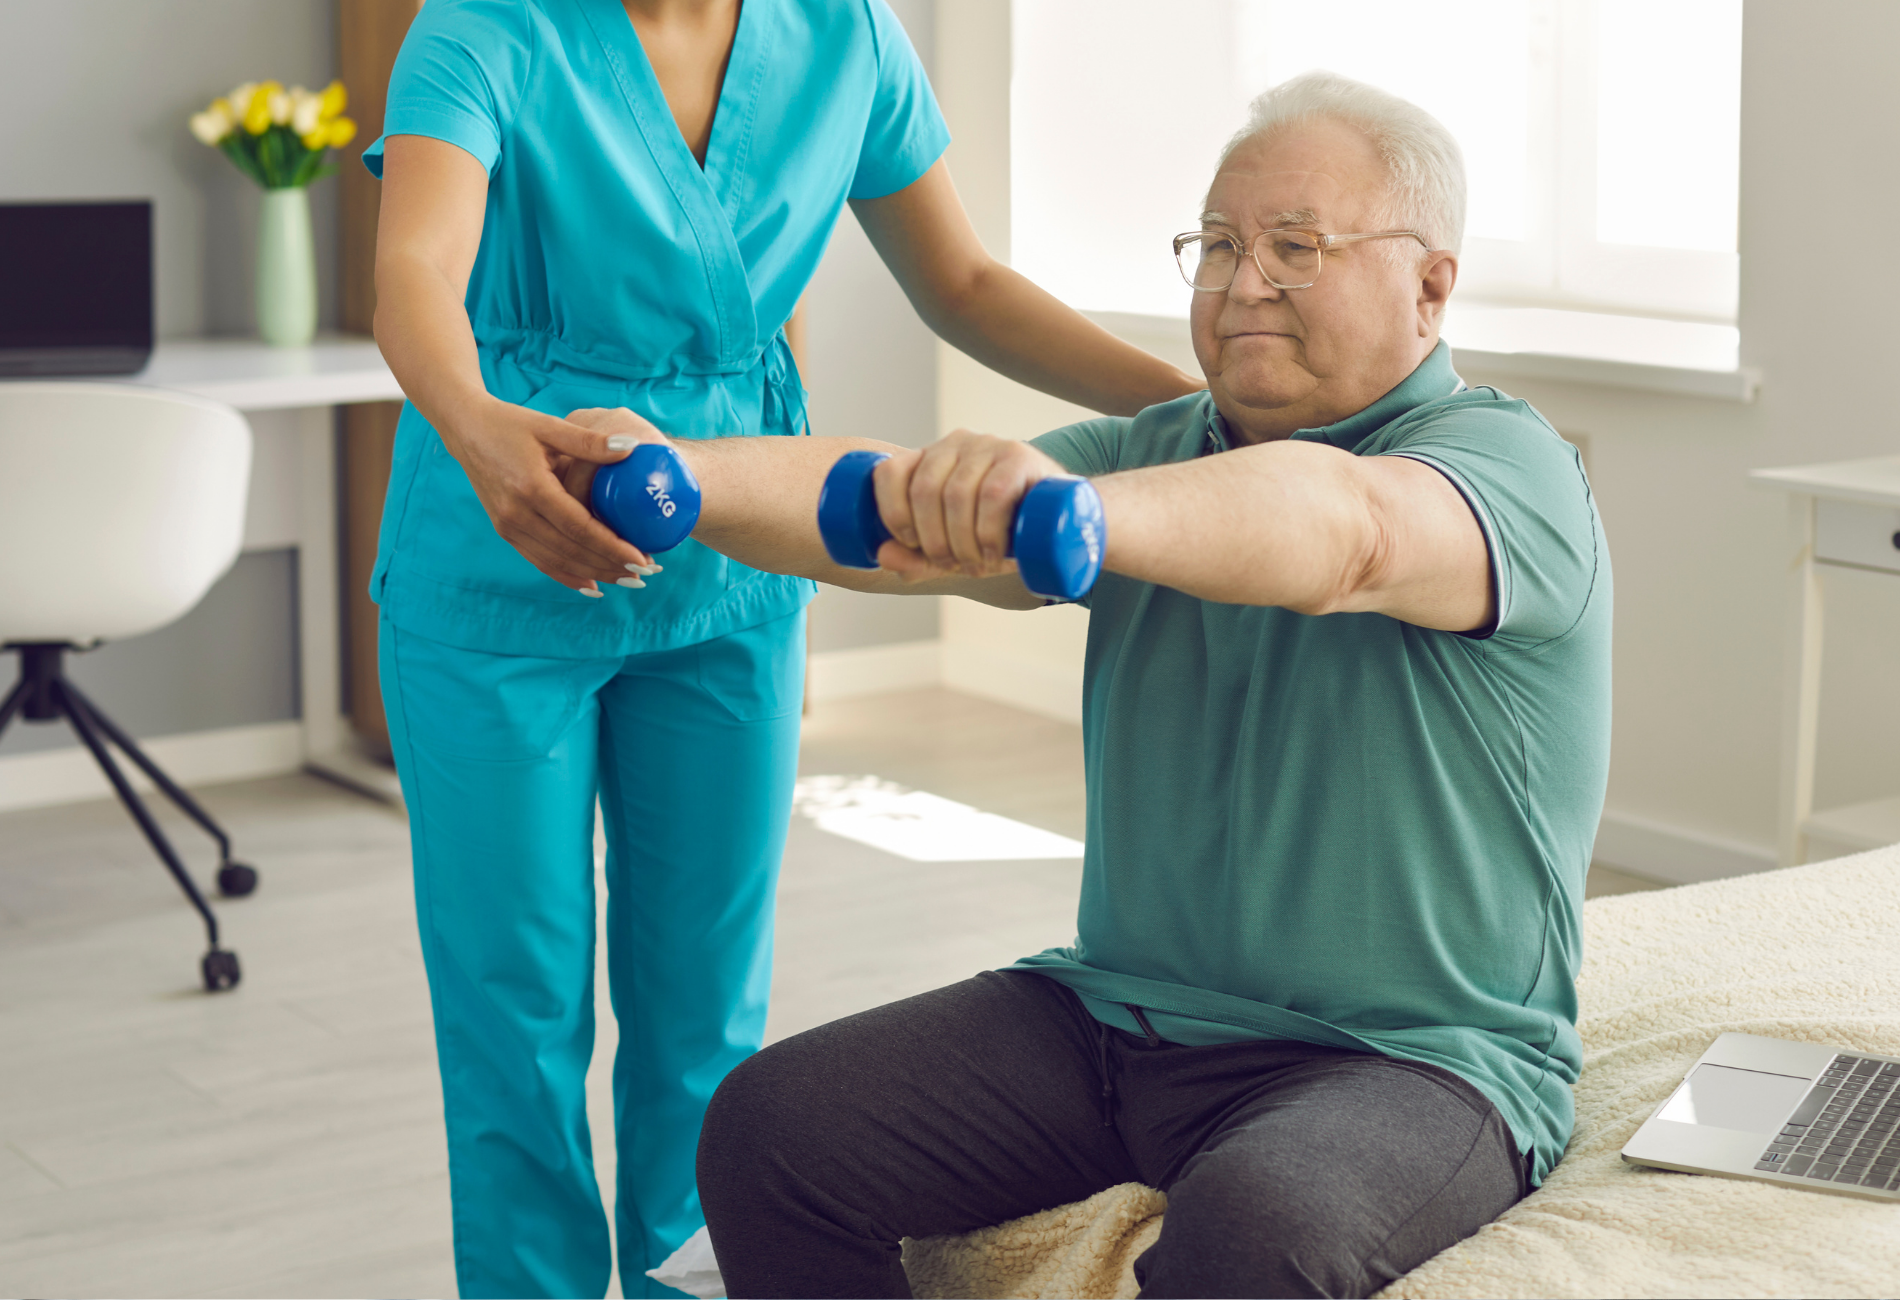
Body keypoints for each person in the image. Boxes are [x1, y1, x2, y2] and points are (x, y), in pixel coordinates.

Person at [571, 70, 1611, 1298]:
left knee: (1258, 1224)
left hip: (1409, 1059)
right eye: (1218, 245)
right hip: (1113, 1017)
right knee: (770, 1128)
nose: (1242, 283)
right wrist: (681, 472)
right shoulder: (1155, 447)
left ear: (1430, 284)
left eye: (1295, 247)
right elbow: (884, 516)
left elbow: (1344, 532)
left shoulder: (1503, 464)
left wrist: (1071, 515)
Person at [363, 1, 1202, 1296]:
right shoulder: (486, 26)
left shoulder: (845, 38)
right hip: (501, 561)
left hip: (735, 549)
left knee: (704, 1013)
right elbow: (415, 272)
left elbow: (965, 284)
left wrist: (1209, 418)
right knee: (512, 1010)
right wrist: (479, 432)